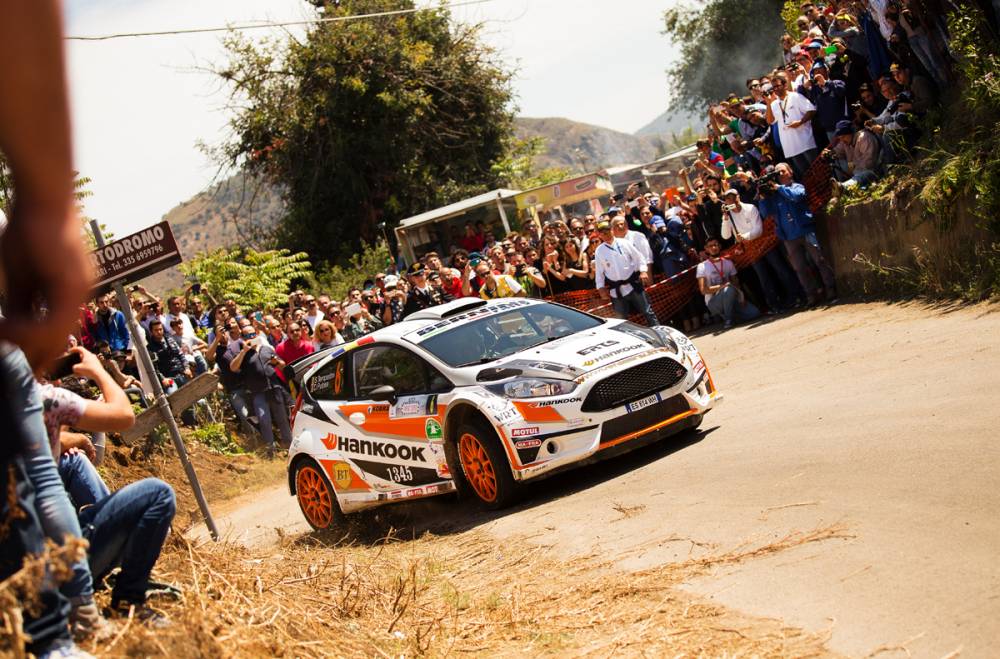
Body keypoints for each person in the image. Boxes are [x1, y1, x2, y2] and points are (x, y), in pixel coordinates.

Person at [757, 163, 838, 305]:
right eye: (777, 173)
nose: (780, 174)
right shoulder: (775, 195)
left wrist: (778, 188)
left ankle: (830, 288)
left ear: (790, 172)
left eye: (782, 171)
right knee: (799, 268)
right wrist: (763, 197)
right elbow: (765, 213)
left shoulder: (797, 187)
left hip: (805, 230)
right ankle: (811, 295)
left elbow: (797, 197)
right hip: (788, 237)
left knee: (819, 260)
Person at [720, 187, 801, 311]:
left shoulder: (750, 208)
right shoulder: (728, 216)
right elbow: (726, 236)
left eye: (733, 197)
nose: (731, 201)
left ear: (738, 197)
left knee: (780, 269)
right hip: (751, 249)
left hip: (764, 244)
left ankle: (797, 296)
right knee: (764, 278)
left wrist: (746, 236)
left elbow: (758, 230)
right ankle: (774, 305)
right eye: (727, 199)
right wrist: (725, 219)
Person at [229, 325, 292, 454]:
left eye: (252, 334)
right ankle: (270, 450)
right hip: (258, 392)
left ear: (257, 334)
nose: (250, 338)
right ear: (242, 338)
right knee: (264, 419)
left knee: (282, 418)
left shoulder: (267, 349)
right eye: (246, 336)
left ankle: (290, 447)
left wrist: (277, 362)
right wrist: (243, 351)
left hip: (274, 388)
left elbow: (282, 366)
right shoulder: (243, 354)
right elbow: (233, 368)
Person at [593, 220, 659, 326]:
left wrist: (643, 271)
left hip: (633, 284)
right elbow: (599, 272)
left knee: (647, 312)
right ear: (599, 235)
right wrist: (600, 287)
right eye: (602, 232)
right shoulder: (599, 251)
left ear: (612, 230)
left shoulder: (624, 243)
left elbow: (639, 258)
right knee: (621, 321)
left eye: (607, 230)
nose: (605, 234)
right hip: (616, 290)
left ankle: (660, 334)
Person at [696, 237, 761, 329]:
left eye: (716, 245)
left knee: (755, 313)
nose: (714, 248)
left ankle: (732, 316)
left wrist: (741, 297)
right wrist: (722, 286)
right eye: (710, 246)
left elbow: (736, 284)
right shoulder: (702, 266)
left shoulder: (728, 263)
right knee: (728, 288)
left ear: (720, 246)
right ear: (706, 249)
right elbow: (703, 290)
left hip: (731, 297)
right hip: (713, 301)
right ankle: (728, 320)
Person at [765, 72, 819, 179]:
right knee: (806, 176)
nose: (775, 89)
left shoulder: (795, 96)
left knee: (818, 170)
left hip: (805, 142)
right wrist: (768, 103)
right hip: (790, 147)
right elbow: (770, 121)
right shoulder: (774, 104)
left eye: (777, 86)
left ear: (785, 85)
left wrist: (800, 122)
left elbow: (811, 110)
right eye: (773, 88)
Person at [829, 120, 882, 190]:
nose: (842, 140)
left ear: (851, 132)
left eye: (843, 136)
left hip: (874, 172)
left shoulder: (864, 138)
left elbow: (869, 164)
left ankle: (843, 187)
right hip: (859, 174)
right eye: (840, 138)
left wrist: (854, 169)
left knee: (864, 174)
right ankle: (844, 188)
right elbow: (838, 150)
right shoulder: (846, 142)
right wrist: (830, 153)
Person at [146, 319, 191, 392]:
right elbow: (154, 368)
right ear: (151, 332)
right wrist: (163, 379)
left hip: (182, 374)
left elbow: (181, 355)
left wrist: (187, 368)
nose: (159, 332)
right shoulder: (150, 348)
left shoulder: (171, 340)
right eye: (156, 330)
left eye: (160, 329)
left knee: (198, 398)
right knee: (173, 395)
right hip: (169, 379)